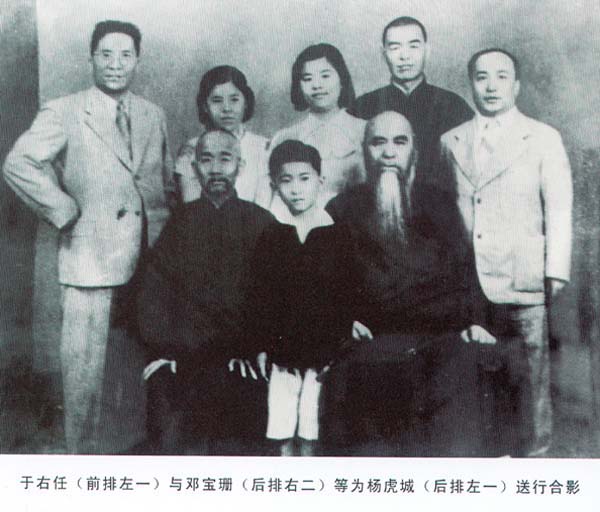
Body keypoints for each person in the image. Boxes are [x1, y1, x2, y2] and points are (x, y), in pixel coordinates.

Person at [3, 20, 174, 454]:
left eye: (126, 55)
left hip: (147, 257)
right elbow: (19, 163)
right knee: (84, 368)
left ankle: (131, 450)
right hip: (90, 256)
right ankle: (82, 458)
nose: (116, 64)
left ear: (137, 60)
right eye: (106, 54)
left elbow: (164, 183)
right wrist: (64, 211)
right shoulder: (64, 110)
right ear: (91, 58)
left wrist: (165, 240)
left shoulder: (152, 114)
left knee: (136, 360)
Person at [326, 111, 496, 456]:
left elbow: (465, 271)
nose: (389, 153)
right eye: (378, 143)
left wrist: (476, 320)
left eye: (399, 142)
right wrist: (344, 319)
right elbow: (328, 280)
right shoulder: (342, 208)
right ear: (364, 150)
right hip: (372, 340)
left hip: (437, 337)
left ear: (414, 152)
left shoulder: (439, 203)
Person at [440, 48, 573, 456]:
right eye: (482, 77)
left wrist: (555, 271)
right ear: (471, 84)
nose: (491, 85)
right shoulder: (451, 140)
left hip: (523, 275)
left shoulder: (543, 137)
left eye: (501, 76)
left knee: (530, 372)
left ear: (516, 85)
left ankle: (535, 454)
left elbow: (559, 207)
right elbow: (447, 211)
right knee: (477, 370)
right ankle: (488, 456)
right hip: (470, 280)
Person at [137, 129, 273, 454]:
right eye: (206, 160)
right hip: (187, 354)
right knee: (172, 435)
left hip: (243, 357)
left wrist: (257, 348)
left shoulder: (261, 222)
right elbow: (154, 294)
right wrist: (166, 351)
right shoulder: (180, 223)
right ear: (195, 167)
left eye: (225, 159)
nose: (215, 169)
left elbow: (274, 296)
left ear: (240, 166)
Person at [244, 139, 370, 456]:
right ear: (274, 185)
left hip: (324, 350)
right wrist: (261, 345)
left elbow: (349, 291)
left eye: (304, 179)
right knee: (281, 427)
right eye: (286, 181)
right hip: (283, 353)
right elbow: (261, 296)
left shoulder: (339, 234)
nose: (296, 189)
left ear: (320, 181)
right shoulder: (272, 236)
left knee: (312, 427)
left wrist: (344, 330)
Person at [351, 16, 473, 177]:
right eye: (395, 48)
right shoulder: (363, 105)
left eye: (413, 46)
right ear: (383, 54)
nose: (404, 56)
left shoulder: (453, 105)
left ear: (427, 51)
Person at [269, 43, 366, 219]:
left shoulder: (366, 132)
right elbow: (273, 201)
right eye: (307, 78)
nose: (317, 85)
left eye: (325, 76)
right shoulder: (284, 137)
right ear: (299, 86)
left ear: (342, 79)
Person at [175, 66, 272, 208]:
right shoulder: (192, 149)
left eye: (234, 99)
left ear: (246, 103)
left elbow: (264, 209)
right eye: (217, 100)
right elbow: (192, 208)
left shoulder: (264, 148)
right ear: (205, 106)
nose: (227, 108)